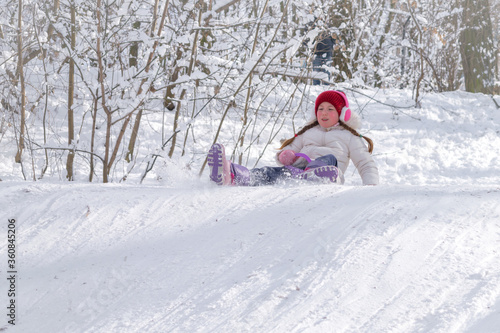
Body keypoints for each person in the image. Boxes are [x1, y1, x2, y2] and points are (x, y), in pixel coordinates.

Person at [207, 90, 379, 186]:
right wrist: (286, 155)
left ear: (342, 114)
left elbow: (365, 163)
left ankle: (317, 175)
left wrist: (371, 186)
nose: (324, 113)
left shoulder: (348, 137)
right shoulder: (307, 132)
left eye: (330, 109)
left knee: (329, 158)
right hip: (299, 173)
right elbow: (290, 149)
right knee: (269, 172)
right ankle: (232, 174)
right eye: (320, 109)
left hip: (330, 174)